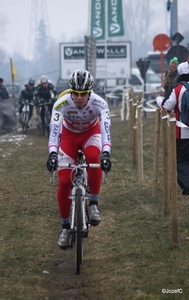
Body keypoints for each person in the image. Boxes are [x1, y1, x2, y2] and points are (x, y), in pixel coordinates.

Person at [46, 70, 112, 249]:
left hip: (91, 134)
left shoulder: (99, 103)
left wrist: (105, 153)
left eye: (83, 94)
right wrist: (52, 154)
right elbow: (54, 133)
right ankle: (66, 227)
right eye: (76, 93)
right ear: (71, 91)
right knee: (64, 182)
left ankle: (94, 203)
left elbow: (106, 131)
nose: (80, 98)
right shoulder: (61, 104)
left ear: (90, 92)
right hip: (68, 137)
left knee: (92, 157)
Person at [156, 60, 189, 195]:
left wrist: (158, 99)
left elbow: (167, 107)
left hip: (182, 131)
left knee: (181, 159)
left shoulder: (178, 89)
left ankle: (187, 186)